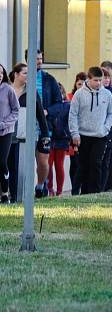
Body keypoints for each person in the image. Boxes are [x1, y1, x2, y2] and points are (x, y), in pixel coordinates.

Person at [68, 67, 112, 195]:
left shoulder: (107, 94)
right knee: (84, 165)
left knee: (96, 164)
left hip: (100, 135)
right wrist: (75, 133)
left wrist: (105, 128)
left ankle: (95, 193)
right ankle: (81, 192)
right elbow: (73, 115)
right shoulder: (79, 94)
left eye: (100, 80)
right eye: (96, 80)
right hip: (83, 135)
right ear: (88, 79)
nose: (99, 83)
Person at [8, 63, 49, 203]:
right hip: (6, 134)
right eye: (25, 73)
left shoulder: (31, 91)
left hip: (23, 136)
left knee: (21, 169)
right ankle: (6, 194)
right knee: (6, 166)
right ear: (16, 74)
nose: (28, 76)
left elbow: (40, 114)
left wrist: (45, 134)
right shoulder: (6, 90)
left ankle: (19, 197)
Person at [27, 50, 61, 198]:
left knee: (42, 161)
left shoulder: (49, 80)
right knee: (24, 160)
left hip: (44, 126)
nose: (39, 61)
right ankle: (23, 188)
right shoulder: (23, 77)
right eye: (36, 59)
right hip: (25, 126)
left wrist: (47, 111)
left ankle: (41, 186)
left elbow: (60, 104)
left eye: (41, 59)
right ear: (27, 60)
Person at [46, 84, 71, 196]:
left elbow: (69, 121)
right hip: (50, 137)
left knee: (59, 165)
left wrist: (68, 135)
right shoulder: (49, 106)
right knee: (48, 164)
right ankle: (49, 189)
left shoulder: (67, 105)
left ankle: (59, 191)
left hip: (62, 138)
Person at [0, 63, 19, 203]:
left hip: (5, 132)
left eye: (1, 73)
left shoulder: (8, 89)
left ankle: (5, 193)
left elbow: (16, 110)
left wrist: (3, 124)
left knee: (2, 162)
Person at [66, 73, 86, 194]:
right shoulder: (70, 97)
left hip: (85, 132)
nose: (81, 86)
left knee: (82, 162)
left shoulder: (89, 97)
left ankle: (82, 187)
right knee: (74, 162)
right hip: (71, 133)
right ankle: (74, 188)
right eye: (79, 84)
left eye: (83, 84)